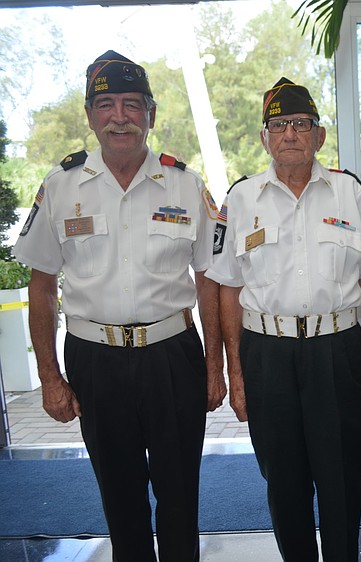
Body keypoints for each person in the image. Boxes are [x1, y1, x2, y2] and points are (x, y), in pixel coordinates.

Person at [13, 50, 225, 561]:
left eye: (132, 104)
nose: (120, 117)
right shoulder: (61, 187)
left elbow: (210, 281)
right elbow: (41, 286)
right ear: (90, 115)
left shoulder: (186, 184)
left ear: (151, 114)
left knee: (180, 495)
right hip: (95, 361)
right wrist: (49, 377)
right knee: (119, 496)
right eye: (106, 105)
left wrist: (215, 367)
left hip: (172, 356)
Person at [205, 77, 361, 562]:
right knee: (283, 482)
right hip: (267, 356)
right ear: (264, 137)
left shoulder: (349, 192)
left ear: (319, 135)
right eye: (279, 125)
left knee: (343, 476)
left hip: (337, 350)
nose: (289, 133)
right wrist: (235, 371)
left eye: (301, 124)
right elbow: (228, 290)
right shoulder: (241, 200)